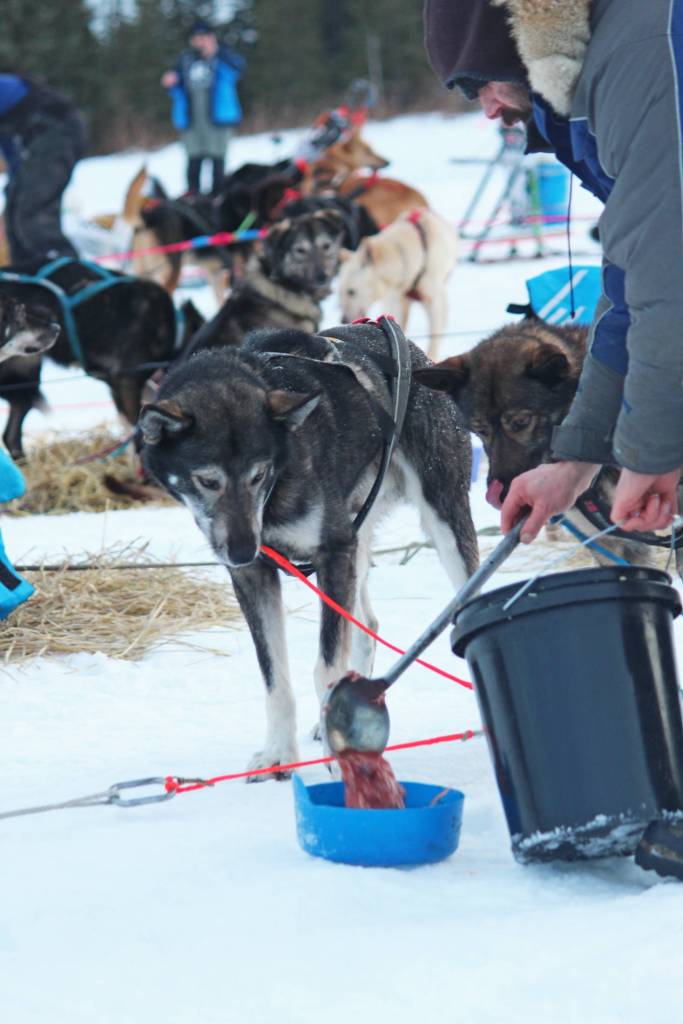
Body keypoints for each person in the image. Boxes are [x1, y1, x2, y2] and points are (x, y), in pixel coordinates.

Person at [424, 0, 683, 543]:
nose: (489, 110)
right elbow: (628, 288)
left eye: (481, 85)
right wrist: (576, 459)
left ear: (517, 43)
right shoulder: (605, 70)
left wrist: (649, 455)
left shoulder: (639, 57)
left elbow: (668, 285)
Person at [0, 74, 85, 267]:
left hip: (59, 132)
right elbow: (10, 148)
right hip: (34, 143)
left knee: (31, 215)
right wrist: (14, 187)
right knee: (14, 216)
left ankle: (69, 276)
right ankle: (26, 283)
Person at [162, 18, 245, 195]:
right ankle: (194, 197)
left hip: (218, 118)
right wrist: (171, 83)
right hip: (193, 120)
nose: (200, 41)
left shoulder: (224, 56)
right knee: (194, 161)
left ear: (211, 37)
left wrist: (214, 53)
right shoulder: (185, 60)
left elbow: (237, 70)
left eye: (204, 37)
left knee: (217, 161)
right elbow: (176, 87)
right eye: (197, 37)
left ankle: (217, 198)